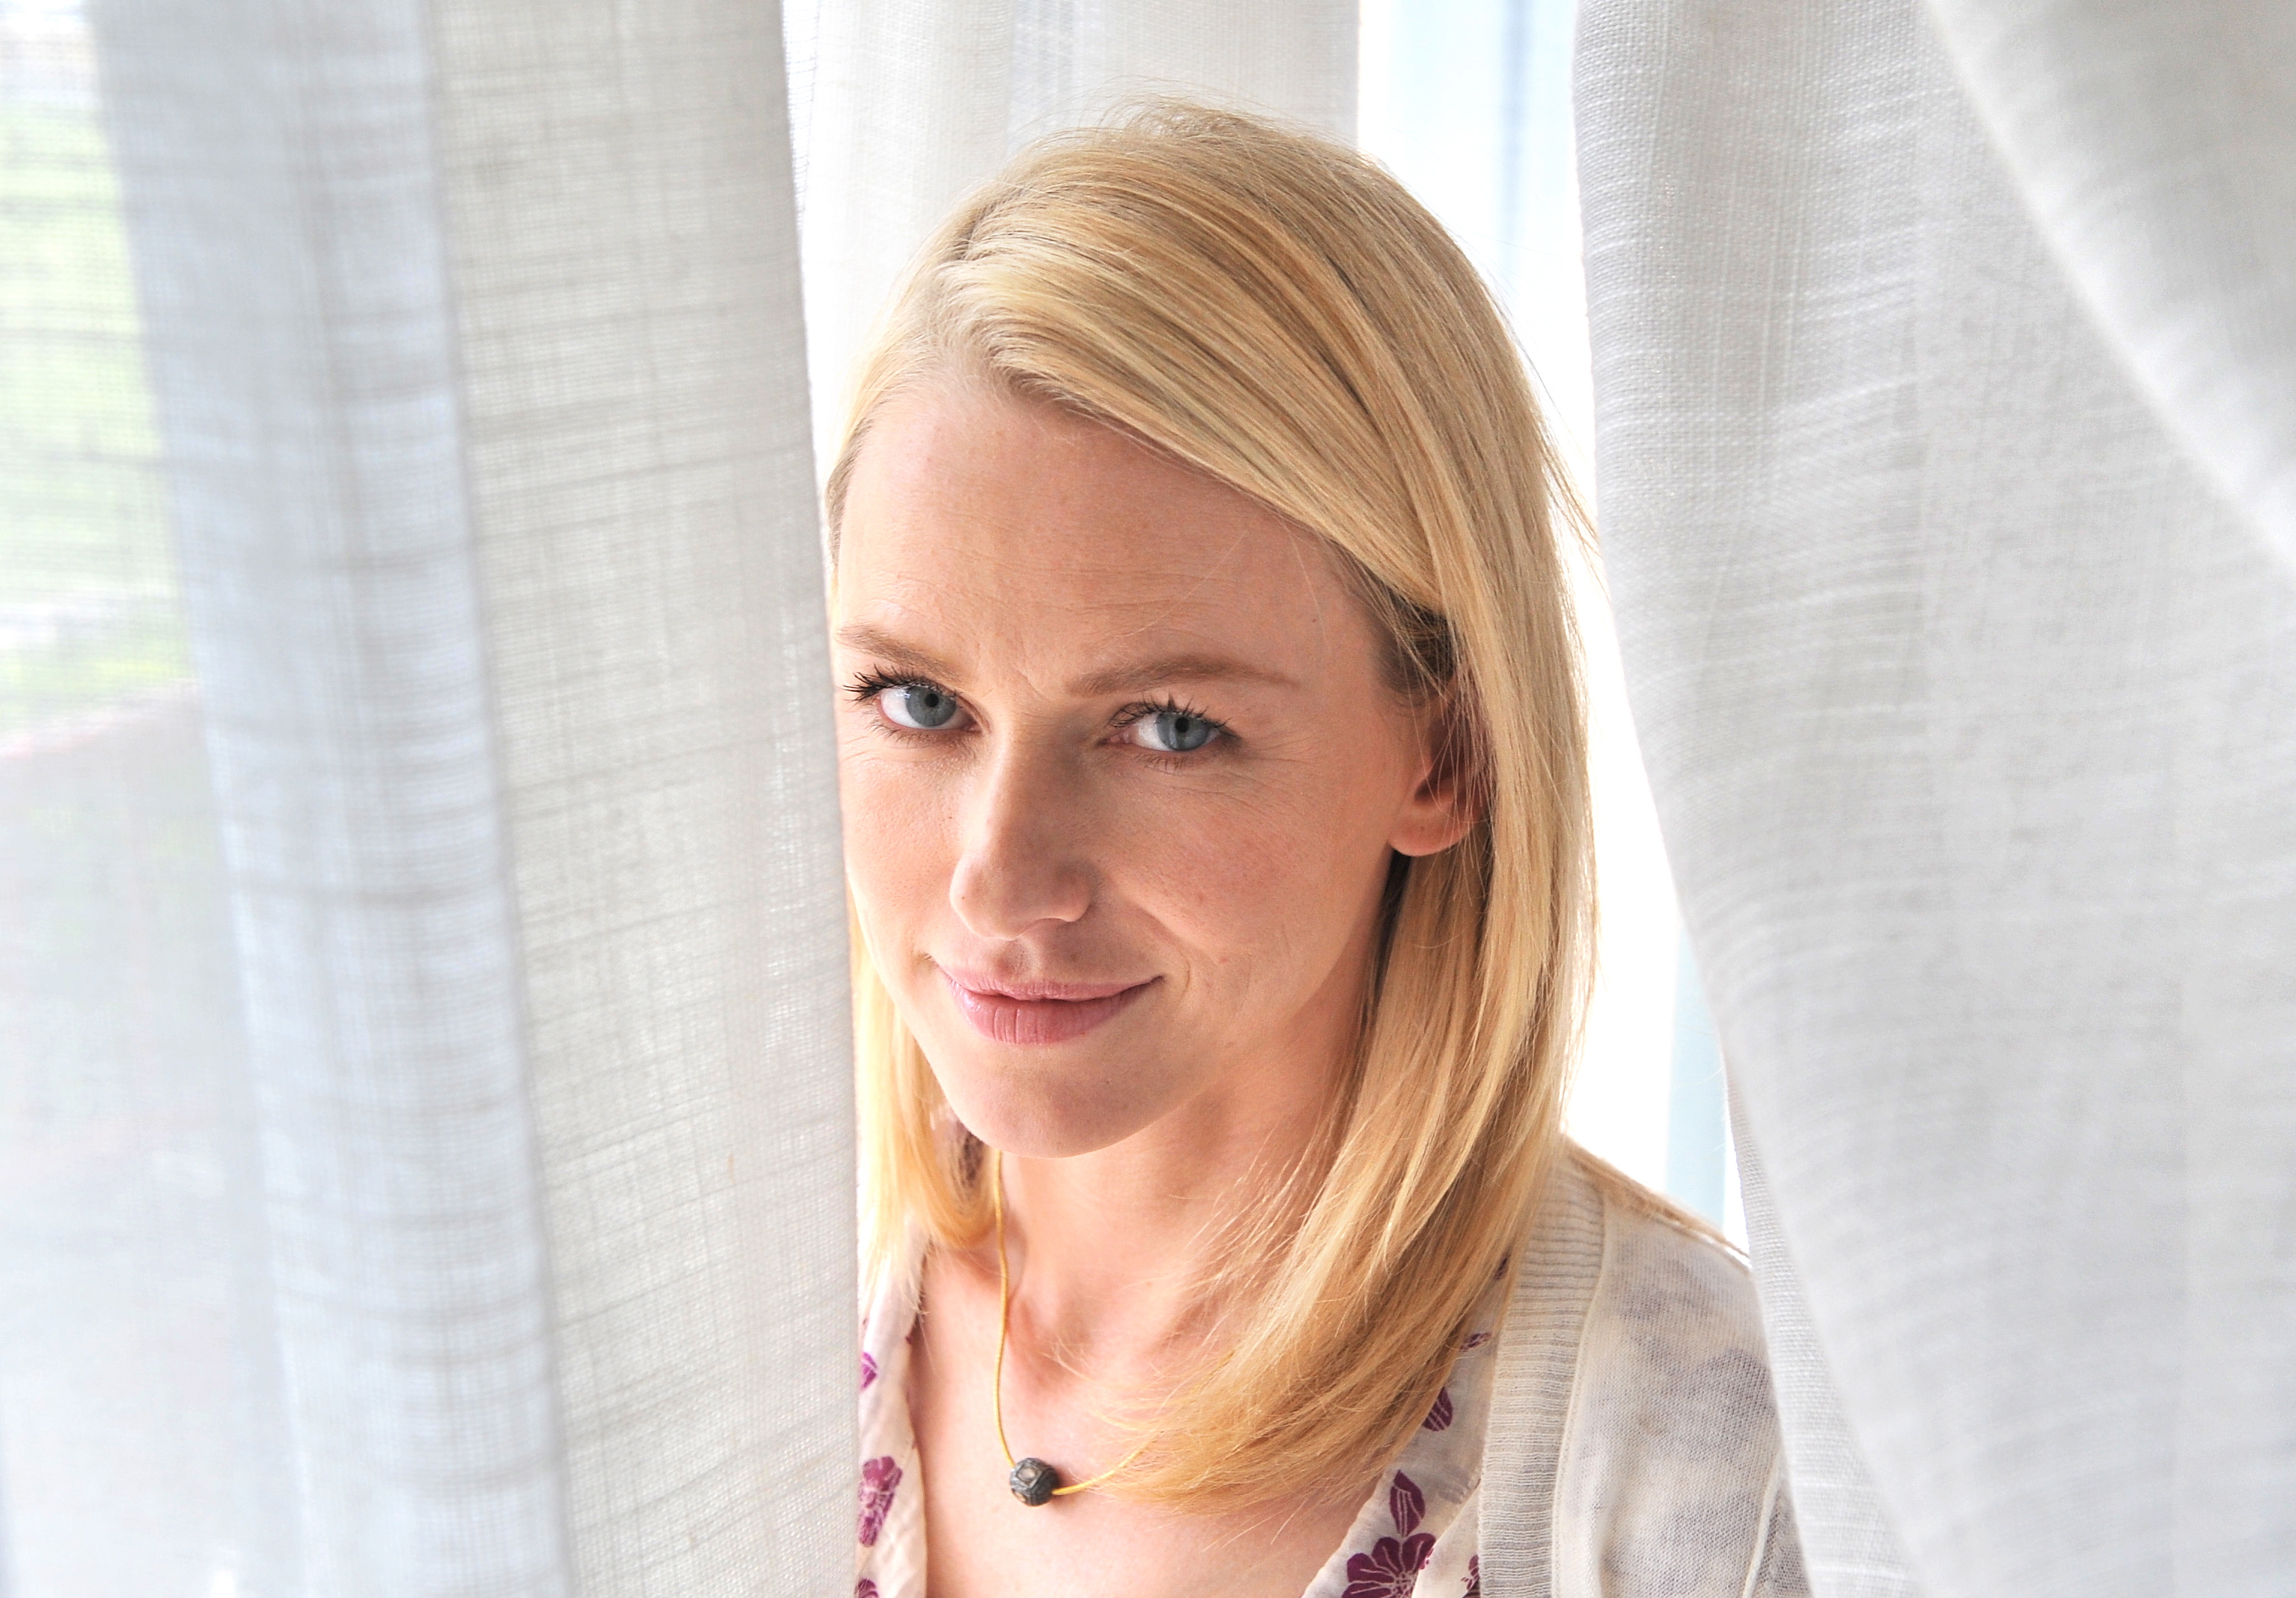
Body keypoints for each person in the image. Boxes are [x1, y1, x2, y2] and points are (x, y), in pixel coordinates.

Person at [829, 103, 1805, 1598]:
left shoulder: (1709, 1480)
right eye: (917, 702)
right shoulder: (735, 1317)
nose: (999, 879)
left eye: (1168, 727)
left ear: (1447, 754)